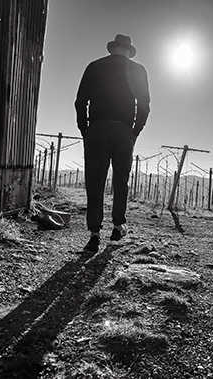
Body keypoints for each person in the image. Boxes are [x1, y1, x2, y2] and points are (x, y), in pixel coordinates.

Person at [75, 34, 151, 252]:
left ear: (112, 49)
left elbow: (81, 101)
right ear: (128, 50)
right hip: (123, 131)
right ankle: (118, 226)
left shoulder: (94, 66)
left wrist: (85, 128)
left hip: (97, 129)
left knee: (95, 181)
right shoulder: (139, 70)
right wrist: (134, 130)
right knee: (121, 179)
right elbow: (144, 104)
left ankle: (94, 234)